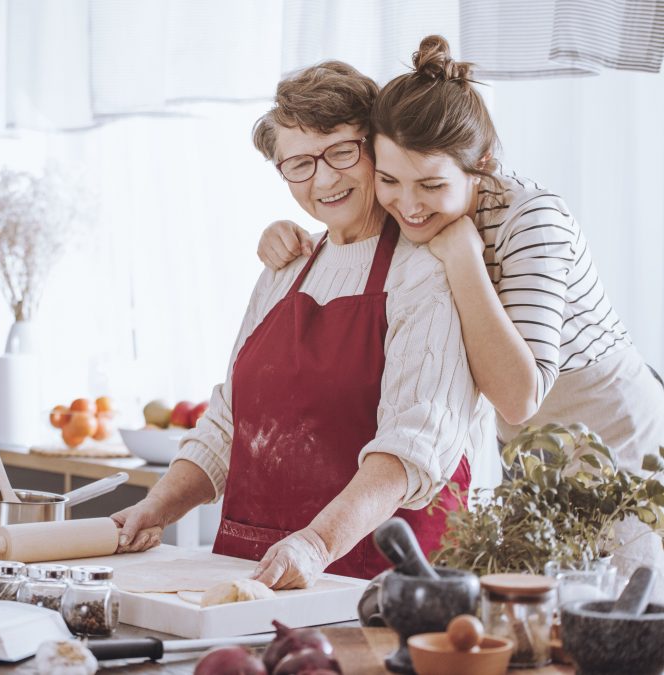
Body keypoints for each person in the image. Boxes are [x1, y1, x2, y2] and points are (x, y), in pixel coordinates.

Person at [256, 36, 664, 580]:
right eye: (390, 180)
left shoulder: (533, 220)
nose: (407, 204)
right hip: (527, 452)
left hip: (614, 436)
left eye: (431, 184)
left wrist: (464, 257)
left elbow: (519, 396)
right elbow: (352, 227)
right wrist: (288, 235)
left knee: (625, 614)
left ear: (482, 165)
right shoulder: (415, 211)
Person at [112, 61, 489, 588]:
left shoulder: (426, 271)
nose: (325, 179)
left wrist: (317, 543)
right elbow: (228, 422)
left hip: (374, 579)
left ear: (376, 148)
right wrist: (154, 509)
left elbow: (414, 446)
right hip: (256, 571)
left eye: (341, 152)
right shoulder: (285, 267)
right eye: (300, 164)